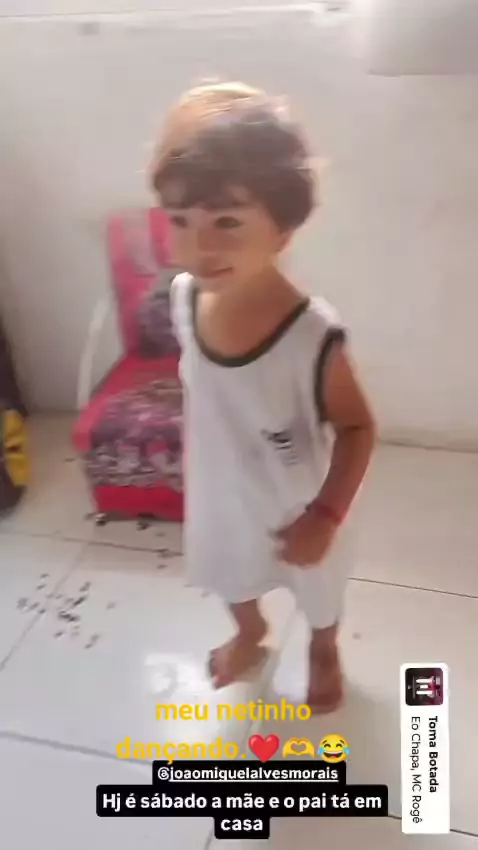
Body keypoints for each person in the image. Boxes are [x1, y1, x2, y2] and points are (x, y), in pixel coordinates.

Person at [151, 82, 376, 713]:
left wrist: (324, 517)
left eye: (227, 221)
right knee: (229, 570)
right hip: (220, 489)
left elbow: (358, 428)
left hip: (297, 499)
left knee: (317, 588)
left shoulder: (311, 335)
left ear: (282, 229)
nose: (199, 246)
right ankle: (249, 632)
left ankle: (324, 647)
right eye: (181, 221)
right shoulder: (185, 296)